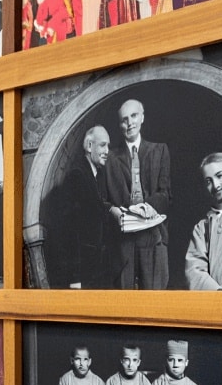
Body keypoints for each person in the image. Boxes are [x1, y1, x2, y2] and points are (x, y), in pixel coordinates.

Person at [105, 99, 170, 290]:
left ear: (142, 117)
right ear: (119, 125)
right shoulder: (109, 158)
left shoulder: (160, 150)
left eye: (133, 116)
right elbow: (103, 198)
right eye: (124, 120)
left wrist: (145, 207)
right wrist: (113, 211)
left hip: (154, 237)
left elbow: (166, 194)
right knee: (125, 304)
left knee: (155, 304)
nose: (129, 123)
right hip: (123, 241)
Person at [47, 126, 112, 288]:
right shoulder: (77, 176)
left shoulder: (95, 175)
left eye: (108, 146)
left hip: (95, 269)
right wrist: (75, 278)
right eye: (103, 145)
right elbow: (68, 230)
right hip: (83, 273)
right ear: (89, 146)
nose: (107, 151)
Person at [185, 153, 222, 289]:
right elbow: (194, 271)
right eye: (208, 181)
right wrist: (218, 294)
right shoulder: (202, 228)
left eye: (220, 175)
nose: (216, 185)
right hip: (216, 303)